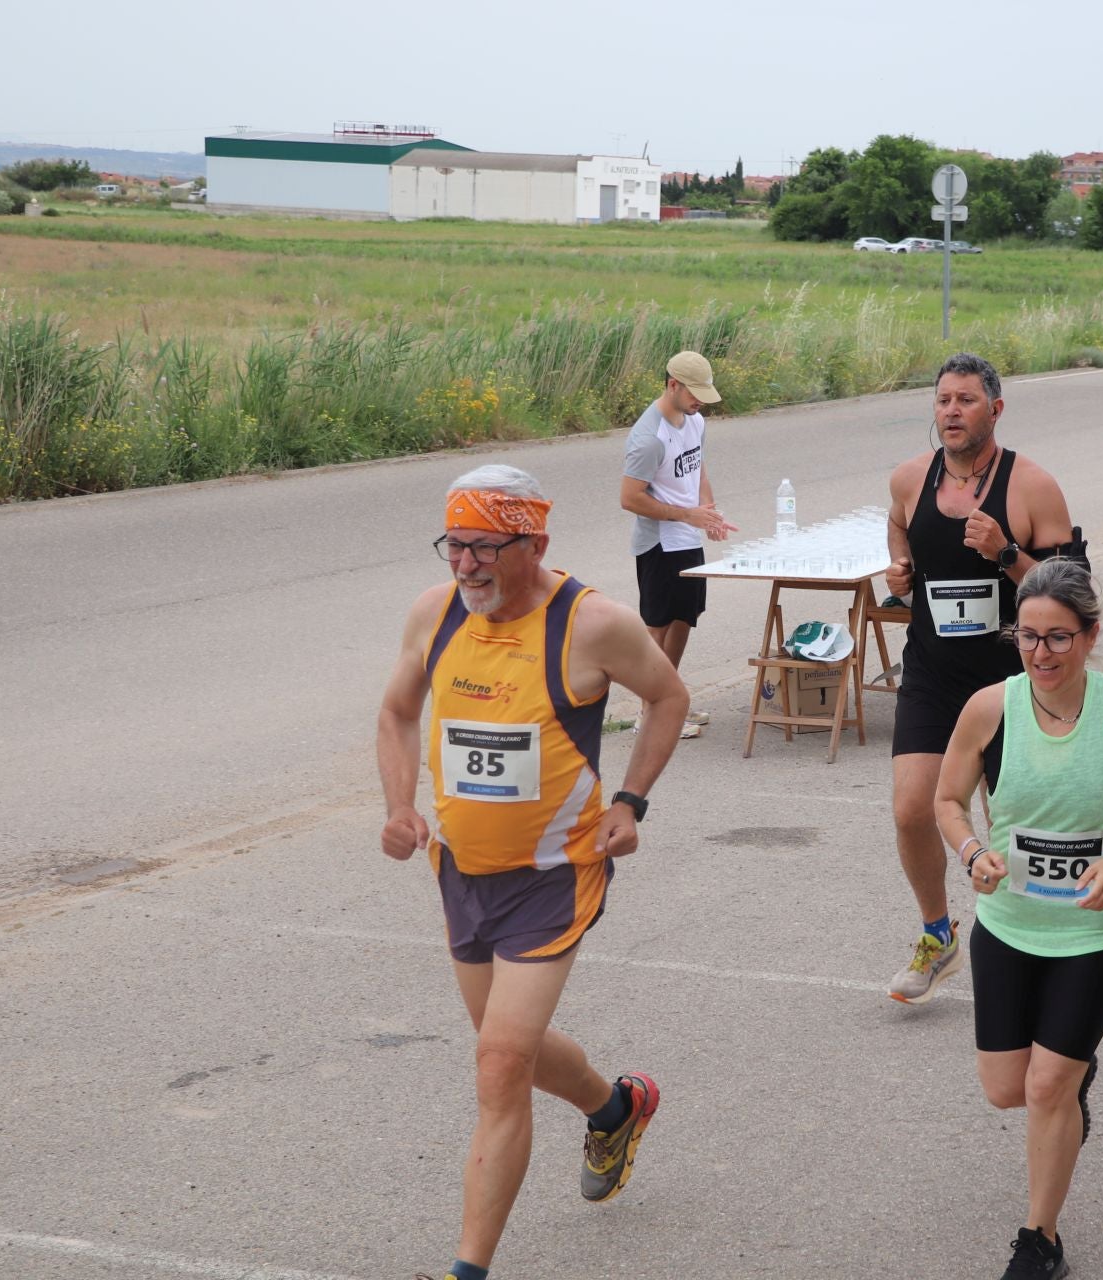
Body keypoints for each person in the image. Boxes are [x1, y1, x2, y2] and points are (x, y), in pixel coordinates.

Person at [378, 465, 691, 1280]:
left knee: (499, 1065)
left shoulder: (592, 624)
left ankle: (467, 1270)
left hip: (555, 874)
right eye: (456, 545)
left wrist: (631, 802)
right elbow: (397, 711)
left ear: (535, 543)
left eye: (485, 548)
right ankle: (616, 1107)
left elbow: (668, 697)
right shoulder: (434, 614)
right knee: (503, 1045)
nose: (466, 565)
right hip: (462, 871)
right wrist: (398, 805)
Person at [935, 559, 1103, 1280]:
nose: (1041, 654)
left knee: (1046, 1088)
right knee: (1006, 1089)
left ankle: (1039, 1240)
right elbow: (948, 800)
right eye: (1027, 637)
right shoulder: (989, 708)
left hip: (1097, 931)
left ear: (1091, 634)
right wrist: (972, 849)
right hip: (1009, 924)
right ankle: (1074, 1080)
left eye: (1059, 639)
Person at [883, 352, 1083, 1003]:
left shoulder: (1033, 487)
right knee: (913, 810)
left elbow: (1072, 593)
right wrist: (898, 564)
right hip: (933, 674)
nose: (951, 412)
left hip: (1011, 682)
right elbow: (896, 522)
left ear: (995, 409)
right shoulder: (911, 479)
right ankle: (938, 936)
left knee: (1014, 822)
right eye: (943, 400)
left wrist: (1005, 553)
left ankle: (1034, 945)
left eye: (966, 400)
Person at [620, 351, 739, 740]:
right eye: (694, 393)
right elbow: (630, 498)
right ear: (673, 384)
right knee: (657, 626)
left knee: (685, 617)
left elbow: (697, 466)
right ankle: (649, 712)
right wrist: (686, 516)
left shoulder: (695, 421)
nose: (700, 401)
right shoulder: (647, 438)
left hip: (686, 537)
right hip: (658, 544)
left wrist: (709, 513)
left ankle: (667, 699)